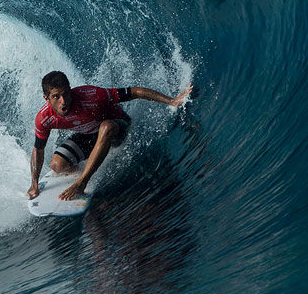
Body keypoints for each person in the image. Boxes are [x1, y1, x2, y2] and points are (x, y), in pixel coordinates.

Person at [28, 71, 192, 201]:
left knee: (106, 126)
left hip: (117, 128)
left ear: (70, 90)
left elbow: (135, 92)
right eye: (56, 96)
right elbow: (38, 150)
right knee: (57, 165)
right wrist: (34, 184)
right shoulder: (44, 118)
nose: (63, 101)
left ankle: (82, 182)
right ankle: (87, 166)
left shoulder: (90, 95)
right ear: (47, 98)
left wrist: (172, 101)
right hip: (89, 134)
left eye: (66, 94)